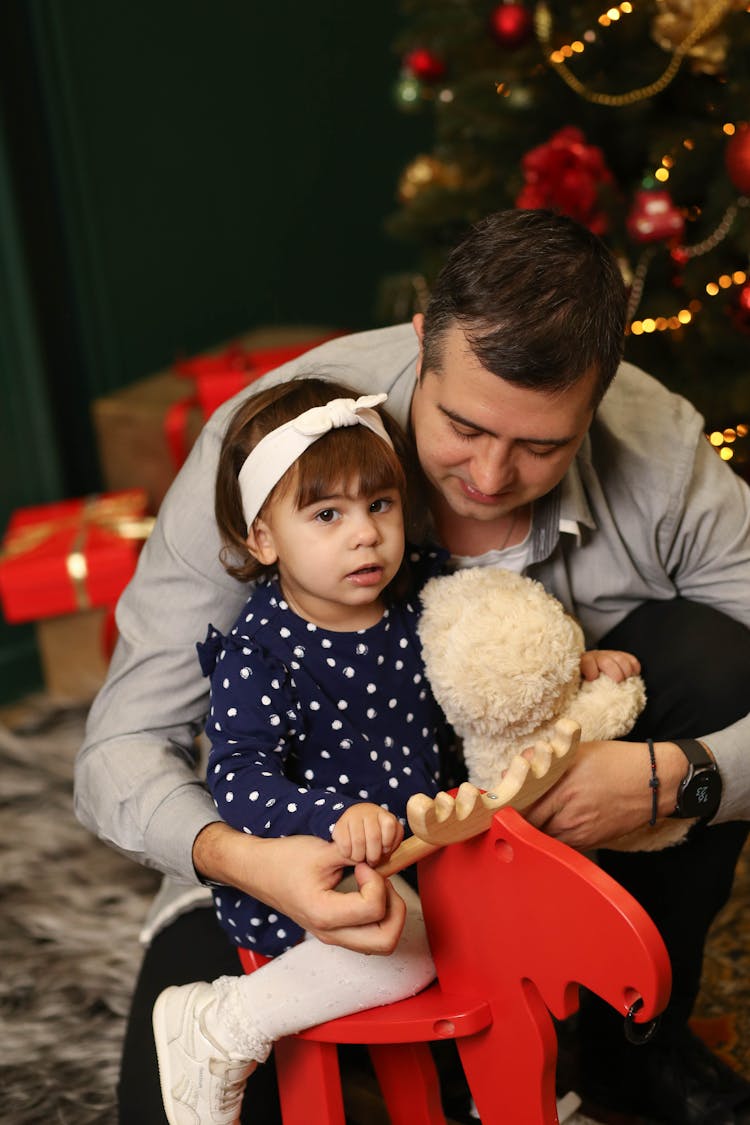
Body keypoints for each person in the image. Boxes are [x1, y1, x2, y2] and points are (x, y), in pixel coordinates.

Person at [76, 208, 750, 1125]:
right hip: (296, 852)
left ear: (599, 397)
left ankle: (631, 1044)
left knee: (711, 652)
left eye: (541, 445)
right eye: (462, 425)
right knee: (189, 1105)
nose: (489, 475)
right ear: (425, 335)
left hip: (543, 834)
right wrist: (247, 860)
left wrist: (682, 777)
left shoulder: (661, 448)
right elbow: (121, 744)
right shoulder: (275, 447)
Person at [152, 378, 448, 1123]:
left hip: (428, 846)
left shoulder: (422, 597)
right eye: (327, 514)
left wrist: (568, 668)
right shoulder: (262, 652)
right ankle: (226, 1021)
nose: (365, 534)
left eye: (379, 505)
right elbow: (240, 782)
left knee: (508, 908)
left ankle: (486, 1092)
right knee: (408, 945)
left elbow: (488, 652)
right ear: (263, 537)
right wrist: (335, 814)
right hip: (309, 879)